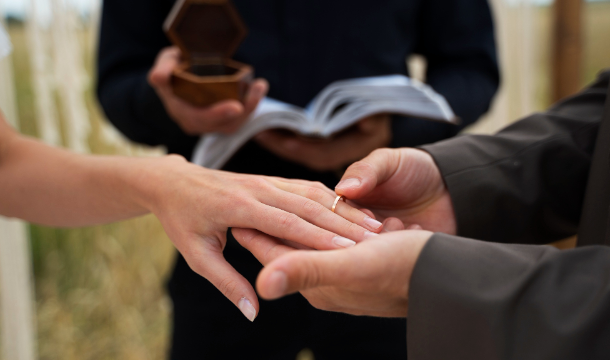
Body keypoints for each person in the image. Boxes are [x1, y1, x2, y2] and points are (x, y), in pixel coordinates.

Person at [97, 0, 499, 357]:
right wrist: (171, 104)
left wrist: (395, 130)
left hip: (374, 234)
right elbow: (119, 80)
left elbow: (471, 67)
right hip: (223, 249)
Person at [234, 70, 610, 359]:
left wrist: (436, 274)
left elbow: (472, 70)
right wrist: (451, 181)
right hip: (250, 264)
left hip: (395, 263)